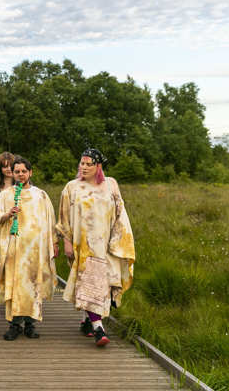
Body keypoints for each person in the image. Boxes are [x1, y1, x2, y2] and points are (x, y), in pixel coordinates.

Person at [57, 148, 135, 347]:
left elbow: (120, 212)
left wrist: (119, 241)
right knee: (91, 282)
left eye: (88, 164)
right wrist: (66, 241)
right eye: (81, 163)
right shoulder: (72, 187)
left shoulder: (111, 184)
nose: (83, 167)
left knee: (103, 285)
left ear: (98, 166)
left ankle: (86, 321)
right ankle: (99, 328)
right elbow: (64, 218)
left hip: (108, 244)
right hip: (84, 246)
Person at [0, 156, 58, 341]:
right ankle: (14, 324)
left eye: (24, 171)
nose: (20, 174)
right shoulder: (6, 195)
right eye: (17, 171)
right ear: (12, 173)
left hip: (35, 250)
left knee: (32, 285)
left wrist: (53, 243)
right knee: (15, 285)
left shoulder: (41, 195)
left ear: (30, 172)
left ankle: (30, 323)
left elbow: (50, 221)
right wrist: (6, 214)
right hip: (15, 249)